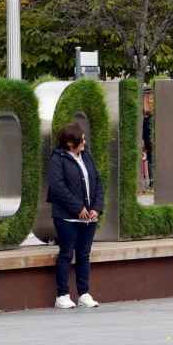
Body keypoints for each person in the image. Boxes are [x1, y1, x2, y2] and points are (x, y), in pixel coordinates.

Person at [48, 123, 105, 309]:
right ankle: (62, 294)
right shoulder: (58, 158)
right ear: (70, 142)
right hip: (67, 217)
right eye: (81, 139)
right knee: (66, 253)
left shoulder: (86, 155)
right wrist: (77, 207)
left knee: (84, 254)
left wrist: (96, 207)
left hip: (89, 217)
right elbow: (57, 187)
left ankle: (84, 293)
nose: (84, 141)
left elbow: (97, 181)